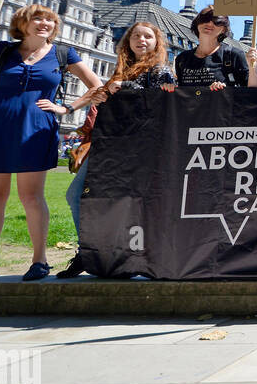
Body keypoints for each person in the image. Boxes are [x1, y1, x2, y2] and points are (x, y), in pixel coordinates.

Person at [0, 5, 103, 282]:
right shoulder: (3, 49)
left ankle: (39, 261)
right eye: (38, 18)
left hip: (36, 129)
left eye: (50, 20)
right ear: (23, 23)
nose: (45, 23)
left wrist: (67, 108)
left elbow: (97, 86)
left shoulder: (63, 54)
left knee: (31, 196)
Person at [58, 22, 177, 279]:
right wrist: (103, 97)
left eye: (148, 36)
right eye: (136, 36)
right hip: (110, 146)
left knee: (127, 206)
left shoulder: (160, 70)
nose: (141, 40)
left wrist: (124, 88)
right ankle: (88, 251)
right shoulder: (120, 71)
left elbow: (159, 103)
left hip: (138, 150)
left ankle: (124, 258)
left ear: (157, 42)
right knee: (78, 195)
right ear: (127, 41)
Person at [175, 6, 257, 89]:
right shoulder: (182, 59)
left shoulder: (233, 56)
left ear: (223, 29)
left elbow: (251, 94)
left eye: (216, 21)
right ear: (197, 23)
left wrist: (252, 69)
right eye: (205, 19)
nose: (209, 23)